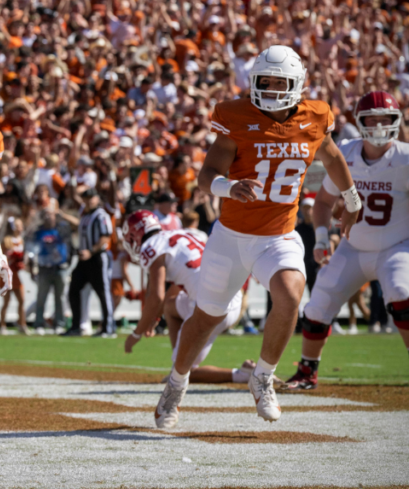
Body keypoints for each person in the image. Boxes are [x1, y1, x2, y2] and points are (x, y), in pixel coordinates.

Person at [155, 46, 359, 429]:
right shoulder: (236, 116)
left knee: (291, 293)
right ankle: (176, 385)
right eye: (263, 80)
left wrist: (351, 196)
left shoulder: (314, 116)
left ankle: (263, 376)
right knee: (205, 319)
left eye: (277, 82)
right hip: (231, 238)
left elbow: (331, 156)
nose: (268, 87)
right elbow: (206, 175)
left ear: (296, 84)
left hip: (278, 236)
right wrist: (229, 188)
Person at [286, 91, 409, 390]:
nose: (379, 126)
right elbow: (324, 202)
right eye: (372, 119)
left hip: (396, 246)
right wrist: (319, 239)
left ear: (397, 121)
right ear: (360, 121)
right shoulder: (346, 153)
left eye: (386, 120)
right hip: (352, 247)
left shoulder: (406, 157)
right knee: (318, 305)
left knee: (401, 292)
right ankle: (306, 372)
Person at [122, 210, 259, 384]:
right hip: (233, 296)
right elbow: (174, 288)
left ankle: (242, 374)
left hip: (211, 306)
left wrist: (136, 334)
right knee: (171, 307)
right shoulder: (181, 233)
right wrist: (156, 316)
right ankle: (181, 357)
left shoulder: (151, 246)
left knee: (183, 373)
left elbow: (156, 296)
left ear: (135, 234)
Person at [68, 189, 115, 337]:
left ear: (97, 198)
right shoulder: (86, 215)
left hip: (97, 257)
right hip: (84, 260)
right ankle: (76, 326)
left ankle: (108, 327)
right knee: (73, 289)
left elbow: (105, 237)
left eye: (91, 197)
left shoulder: (101, 215)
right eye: (86, 198)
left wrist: (91, 251)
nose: (88, 201)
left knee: (103, 292)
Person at [27, 209, 72, 335]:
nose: (48, 217)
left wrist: (62, 216)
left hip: (60, 267)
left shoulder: (62, 229)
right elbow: (31, 249)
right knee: (41, 297)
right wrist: (32, 268)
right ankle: (39, 324)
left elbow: (74, 228)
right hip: (44, 267)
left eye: (51, 214)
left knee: (60, 298)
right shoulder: (38, 231)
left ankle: (59, 323)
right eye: (46, 215)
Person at [0, 217, 28, 335]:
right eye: (17, 226)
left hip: (17, 273)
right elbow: (4, 257)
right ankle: (2, 325)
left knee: (21, 300)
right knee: (7, 301)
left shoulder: (22, 240)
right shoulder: (7, 240)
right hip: (8, 273)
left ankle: (22, 324)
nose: (20, 228)